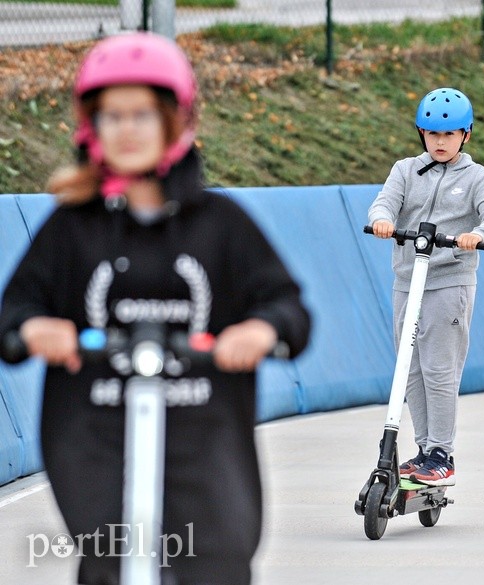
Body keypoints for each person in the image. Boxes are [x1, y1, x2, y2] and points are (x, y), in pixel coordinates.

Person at [0, 32, 311, 584]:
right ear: (90, 126)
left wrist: (262, 330)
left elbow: (287, 306)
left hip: (203, 430)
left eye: (142, 114)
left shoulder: (222, 225)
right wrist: (34, 328)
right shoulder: (72, 230)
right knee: (112, 559)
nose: (126, 129)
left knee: (216, 555)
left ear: (174, 119)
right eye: (111, 116)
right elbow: (15, 311)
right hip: (96, 429)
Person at [368, 87, 484, 487]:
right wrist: (382, 220)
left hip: (449, 281)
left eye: (449, 135)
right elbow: (384, 203)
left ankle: (442, 453)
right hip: (407, 281)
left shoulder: (478, 177)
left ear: (466, 135)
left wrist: (479, 234)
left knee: (439, 368)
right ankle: (424, 449)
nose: (440, 142)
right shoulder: (405, 170)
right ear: (420, 134)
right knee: (408, 369)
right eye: (432, 134)